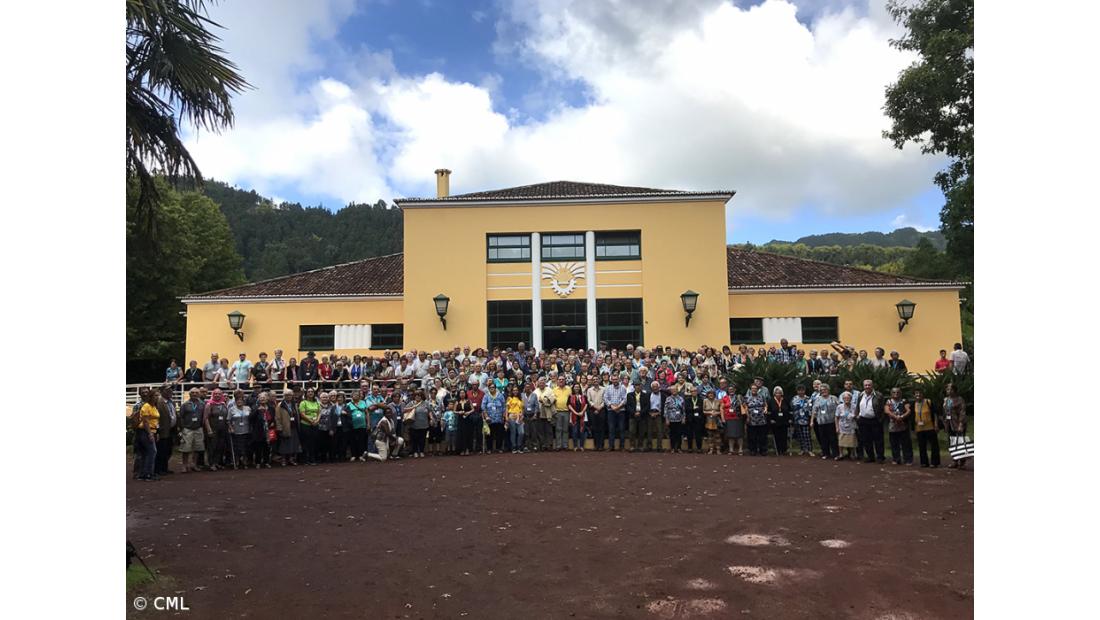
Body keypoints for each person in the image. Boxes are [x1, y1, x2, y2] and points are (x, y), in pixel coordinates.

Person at [856, 380, 886, 463]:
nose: (867, 387)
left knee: (878, 440)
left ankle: (880, 457)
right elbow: (858, 406)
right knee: (866, 440)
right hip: (863, 420)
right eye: (865, 385)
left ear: (872, 386)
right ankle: (870, 457)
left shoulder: (879, 395)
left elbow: (882, 408)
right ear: (863, 386)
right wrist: (857, 415)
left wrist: (881, 419)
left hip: (875, 420)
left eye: (869, 385)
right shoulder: (860, 395)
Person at [133, 390, 160, 481]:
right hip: (145, 431)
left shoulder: (154, 407)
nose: (157, 397)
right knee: (152, 452)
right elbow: (145, 421)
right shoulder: (146, 406)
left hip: (152, 430)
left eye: (158, 396)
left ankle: (143, 474)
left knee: (145, 453)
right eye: (155, 395)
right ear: (151, 397)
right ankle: (148, 473)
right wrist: (150, 433)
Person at [177, 388, 206, 472]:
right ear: (189, 394)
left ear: (199, 394)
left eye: (196, 393)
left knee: (197, 448)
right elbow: (181, 417)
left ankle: (194, 464)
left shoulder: (202, 404)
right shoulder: (185, 404)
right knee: (186, 448)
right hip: (187, 428)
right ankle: (184, 465)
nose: (194, 394)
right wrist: (181, 428)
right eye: (192, 393)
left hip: (198, 428)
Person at [910, 387, 939, 468]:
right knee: (922, 446)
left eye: (920, 393)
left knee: (934, 445)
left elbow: (935, 413)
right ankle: (924, 462)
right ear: (914, 395)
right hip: (919, 428)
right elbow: (912, 417)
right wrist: (913, 428)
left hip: (930, 427)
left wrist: (936, 424)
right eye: (916, 393)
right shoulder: (913, 404)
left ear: (923, 394)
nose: (918, 395)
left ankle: (934, 462)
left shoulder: (928, 402)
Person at [942, 383, 969, 469]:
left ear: (954, 390)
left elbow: (962, 412)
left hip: (958, 424)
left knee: (960, 442)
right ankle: (955, 460)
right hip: (950, 424)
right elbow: (946, 412)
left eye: (950, 389)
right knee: (952, 443)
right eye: (947, 389)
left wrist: (961, 424)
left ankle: (962, 461)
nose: (948, 391)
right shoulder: (946, 400)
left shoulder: (959, 400)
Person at [203, 389, 230, 470]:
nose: (217, 395)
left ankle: (216, 462)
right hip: (213, 428)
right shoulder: (209, 404)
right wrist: (209, 429)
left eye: (219, 394)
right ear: (213, 395)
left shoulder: (223, 404)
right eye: (215, 394)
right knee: (212, 447)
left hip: (222, 429)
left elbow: (226, 417)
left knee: (220, 446)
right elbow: (206, 418)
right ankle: (211, 464)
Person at [885, 387, 913, 465]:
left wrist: (902, 417)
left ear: (900, 393)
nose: (896, 394)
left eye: (897, 392)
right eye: (894, 392)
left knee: (906, 443)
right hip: (893, 426)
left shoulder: (904, 401)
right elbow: (886, 410)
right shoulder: (889, 401)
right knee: (894, 443)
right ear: (891, 394)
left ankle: (908, 459)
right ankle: (896, 459)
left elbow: (909, 410)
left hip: (903, 425)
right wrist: (895, 416)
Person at [811, 384, 839, 460]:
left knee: (833, 438)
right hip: (821, 422)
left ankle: (835, 454)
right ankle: (826, 453)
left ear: (828, 390)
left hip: (832, 421)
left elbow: (839, 408)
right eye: (821, 390)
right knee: (823, 439)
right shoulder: (818, 399)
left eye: (825, 389)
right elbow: (814, 410)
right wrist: (812, 421)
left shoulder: (833, 398)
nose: (823, 391)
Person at [275, 389, 301, 466]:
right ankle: (283, 460)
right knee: (284, 444)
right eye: (287, 395)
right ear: (284, 396)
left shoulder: (294, 404)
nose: (289, 396)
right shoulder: (280, 405)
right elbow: (277, 417)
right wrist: (279, 428)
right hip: (285, 427)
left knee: (293, 444)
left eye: (290, 395)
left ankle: (291, 459)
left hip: (294, 426)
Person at [250, 391, 275, 468]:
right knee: (258, 447)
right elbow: (250, 418)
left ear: (267, 399)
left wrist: (273, 422)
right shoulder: (255, 407)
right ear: (258, 399)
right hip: (258, 430)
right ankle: (258, 462)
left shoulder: (271, 408)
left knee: (267, 447)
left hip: (268, 430)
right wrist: (257, 410)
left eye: (264, 397)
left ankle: (266, 461)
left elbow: (274, 417)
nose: (262, 399)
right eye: (261, 398)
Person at [228, 389, 251, 469]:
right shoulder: (232, 409)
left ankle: (244, 461)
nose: (239, 402)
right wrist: (231, 428)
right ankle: (236, 461)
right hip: (236, 431)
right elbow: (228, 420)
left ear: (243, 401)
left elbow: (251, 418)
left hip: (246, 430)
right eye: (238, 401)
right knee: (237, 447)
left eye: (241, 401)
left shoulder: (248, 408)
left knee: (245, 447)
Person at [604, 374, 628, 452]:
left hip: (621, 411)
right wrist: (612, 406)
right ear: (611, 380)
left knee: (621, 429)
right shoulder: (608, 388)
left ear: (619, 380)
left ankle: (622, 446)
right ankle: (611, 446)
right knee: (611, 429)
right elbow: (606, 398)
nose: (615, 381)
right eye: (613, 379)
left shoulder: (623, 387)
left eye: (616, 379)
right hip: (611, 411)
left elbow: (625, 399)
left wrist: (618, 407)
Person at [481, 382, 507, 454]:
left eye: (493, 387)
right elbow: (483, 407)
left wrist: (504, 416)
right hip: (490, 419)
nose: (492, 389)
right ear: (488, 388)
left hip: (499, 418)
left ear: (495, 388)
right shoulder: (486, 396)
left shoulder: (500, 396)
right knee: (489, 434)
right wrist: (486, 416)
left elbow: (504, 406)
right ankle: (489, 448)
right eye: (490, 388)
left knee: (499, 434)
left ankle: (499, 448)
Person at [405, 390, 431, 458]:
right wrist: (412, 407)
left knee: (422, 439)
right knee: (414, 439)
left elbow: (429, 411)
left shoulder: (426, 403)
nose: (417, 396)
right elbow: (405, 410)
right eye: (416, 395)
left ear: (422, 396)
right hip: (414, 424)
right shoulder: (411, 403)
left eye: (419, 395)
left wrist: (431, 418)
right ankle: (415, 451)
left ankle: (421, 451)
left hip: (424, 424)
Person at [298, 388, 320, 465]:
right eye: (309, 392)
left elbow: (319, 412)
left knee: (313, 443)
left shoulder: (316, 403)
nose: (310, 393)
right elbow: (302, 414)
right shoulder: (303, 403)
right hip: (305, 424)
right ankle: (305, 460)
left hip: (315, 425)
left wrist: (317, 420)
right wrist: (310, 421)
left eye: (312, 392)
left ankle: (312, 459)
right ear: (306, 393)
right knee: (305, 443)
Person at [744, 385, 768, 456]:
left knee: (762, 436)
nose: (754, 390)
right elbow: (745, 408)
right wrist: (747, 416)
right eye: (752, 388)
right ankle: (752, 450)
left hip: (761, 419)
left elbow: (765, 404)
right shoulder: (747, 398)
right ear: (750, 390)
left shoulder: (762, 397)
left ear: (758, 390)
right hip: (751, 419)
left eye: (755, 389)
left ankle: (763, 450)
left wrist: (766, 409)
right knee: (752, 436)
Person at [767, 386, 791, 456]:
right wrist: (770, 419)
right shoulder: (771, 401)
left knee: (784, 436)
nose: (778, 394)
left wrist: (790, 419)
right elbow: (768, 412)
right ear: (774, 393)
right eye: (777, 393)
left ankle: (784, 450)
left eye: (779, 393)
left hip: (784, 421)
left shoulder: (785, 400)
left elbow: (789, 411)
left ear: (782, 393)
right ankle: (777, 449)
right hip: (775, 422)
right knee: (777, 436)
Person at [791, 385, 814, 456]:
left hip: (806, 420)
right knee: (800, 436)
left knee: (807, 435)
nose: (801, 392)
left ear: (804, 391)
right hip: (797, 420)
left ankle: (810, 450)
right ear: (797, 391)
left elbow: (811, 409)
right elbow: (792, 408)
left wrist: (811, 420)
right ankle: (802, 449)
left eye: (802, 390)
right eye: (799, 390)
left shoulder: (808, 399)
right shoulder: (794, 399)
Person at [347, 390, 369, 461]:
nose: (356, 396)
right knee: (353, 440)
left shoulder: (363, 403)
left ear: (359, 396)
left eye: (357, 395)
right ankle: (353, 455)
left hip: (362, 425)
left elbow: (367, 413)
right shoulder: (348, 404)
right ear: (351, 396)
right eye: (354, 395)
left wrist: (368, 423)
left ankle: (361, 455)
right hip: (352, 425)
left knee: (361, 440)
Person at [836, 392, 859, 461]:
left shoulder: (854, 406)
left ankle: (852, 454)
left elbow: (857, 416)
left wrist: (855, 416)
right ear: (842, 399)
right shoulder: (839, 407)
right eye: (845, 398)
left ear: (851, 399)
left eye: (848, 398)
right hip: (842, 426)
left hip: (851, 426)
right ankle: (841, 454)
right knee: (841, 441)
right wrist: (837, 427)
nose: (846, 399)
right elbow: (836, 417)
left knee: (852, 441)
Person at [683, 383, 705, 453]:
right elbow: (687, 409)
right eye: (692, 391)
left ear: (697, 392)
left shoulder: (701, 400)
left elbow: (701, 409)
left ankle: (699, 448)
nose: (694, 392)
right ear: (690, 392)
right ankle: (690, 448)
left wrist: (693, 409)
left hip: (698, 419)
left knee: (698, 434)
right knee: (689, 434)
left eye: (695, 391)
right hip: (690, 419)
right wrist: (694, 408)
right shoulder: (687, 400)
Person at [664, 384, 686, 453]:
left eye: (675, 390)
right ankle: (672, 448)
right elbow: (665, 409)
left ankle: (679, 448)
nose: (674, 391)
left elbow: (683, 409)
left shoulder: (681, 398)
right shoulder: (668, 399)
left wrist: (683, 418)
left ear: (677, 390)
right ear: (670, 391)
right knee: (672, 434)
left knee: (679, 434)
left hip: (679, 418)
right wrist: (666, 418)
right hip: (671, 419)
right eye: (672, 390)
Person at [552, 376, 572, 451]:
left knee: (565, 429)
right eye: (559, 379)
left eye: (562, 379)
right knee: (558, 429)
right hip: (557, 412)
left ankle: (565, 445)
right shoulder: (554, 389)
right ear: (557, 381)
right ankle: (558, 445)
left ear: (565, 381)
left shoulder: (569, 389)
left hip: (567, 411)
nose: (561, 381)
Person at [703, 389, 723, 455]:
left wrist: (717, 413)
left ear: (714, 395)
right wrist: (709, 412)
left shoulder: (718, 401)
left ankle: (718, 449)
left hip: (716, 420)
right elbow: (703, 411)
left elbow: (721, 411)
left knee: (717, 435)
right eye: (709, 394)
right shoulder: (705, 401)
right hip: (708, 420)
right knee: (710, 435)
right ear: (707, 395)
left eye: (712, 394)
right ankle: (711, 449)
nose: (711, 395)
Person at [568, 383, 588, 451]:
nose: (576, 388)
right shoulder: (570, 396)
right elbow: (569, 405)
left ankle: (582, 446)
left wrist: (582, 412)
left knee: (582, 431)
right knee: (575, 431)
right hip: (574, 416)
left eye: (578, 387)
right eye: (575, 387)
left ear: (580, 388)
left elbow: (586, 404)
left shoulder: (583, 396)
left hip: (583, 415)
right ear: (573, 388)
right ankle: (575, 446)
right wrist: (576, 413)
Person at [506, 385, 524, 454]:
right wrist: (507, 417)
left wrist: (522, 416)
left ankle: (519, 446)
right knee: (513, 432)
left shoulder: (520, 399)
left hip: (519, 416)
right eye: (514, 390)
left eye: (516, 390)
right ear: (512, 391)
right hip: (512, 416)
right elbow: (507, 408)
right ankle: (514, 447)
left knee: (521, 432)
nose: (515, 391)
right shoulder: (509, 398)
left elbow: (522, 408)